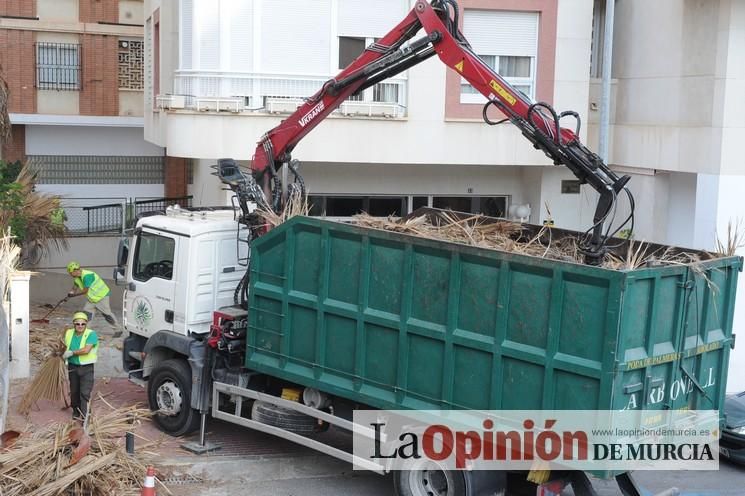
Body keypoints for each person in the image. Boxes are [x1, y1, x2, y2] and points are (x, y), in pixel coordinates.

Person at [66, 261, 121, 337]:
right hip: (92, 299)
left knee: (107, 314)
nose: (70, 274)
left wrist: (74, 295)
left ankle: (118, 330)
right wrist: (70, 293)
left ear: (75, 271)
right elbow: (75, 287)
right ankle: (85, 331)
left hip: (102, 296)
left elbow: (85, 291)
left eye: (70, 272)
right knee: (86, 315)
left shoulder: (87, 276)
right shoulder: (77, 278)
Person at [61, 312, 99, 421]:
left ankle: (85, 417)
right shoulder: (68, 333)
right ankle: (76, 411)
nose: (80, 326)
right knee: (74, 391)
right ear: (74, 324)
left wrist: (72, 353)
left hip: (86, 368)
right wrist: (61, 354)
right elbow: (63, 345)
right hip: (72, 367)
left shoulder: (91, 334)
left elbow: (86, 350)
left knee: (85, 393)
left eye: (83, 324)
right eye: (78, 324)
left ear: (86, 324)